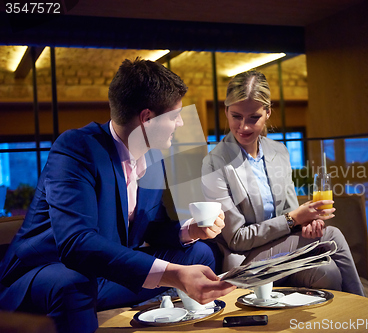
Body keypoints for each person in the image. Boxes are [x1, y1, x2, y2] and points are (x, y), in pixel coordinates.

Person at [0, 58, 235, 333]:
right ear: (147, 118)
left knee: (200, 254)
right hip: (48, 273)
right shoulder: (76, 148)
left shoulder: (153, 158)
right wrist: (173, 274)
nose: (181, 123)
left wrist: (191, 230)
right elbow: (77, 243)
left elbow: (150, 227)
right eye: (174, 116)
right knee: (74, 284)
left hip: (104, 275)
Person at [201, 70, 364, 296]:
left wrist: (304, 224)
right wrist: (293, 219)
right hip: (247, 264)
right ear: (226, 111)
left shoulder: (279, 151)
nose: (244, 127)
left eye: (253, 118)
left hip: (284, 253)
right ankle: (363, 320)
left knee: (328, 272)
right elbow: (236, 239)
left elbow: (290, 214)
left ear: (268, 112)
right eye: (236, 116)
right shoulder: (214, 163)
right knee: (333, 235)